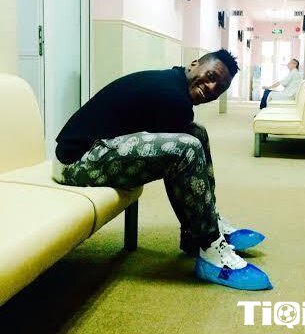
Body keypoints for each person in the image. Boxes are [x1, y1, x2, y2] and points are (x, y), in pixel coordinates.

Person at [53, 49, 271, 290]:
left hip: (97, 150)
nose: (211, 88)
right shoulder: (174, 97)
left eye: (218, 88)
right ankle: (210, 247)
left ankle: (203, 227)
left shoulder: (173, 84)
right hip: (76, 163)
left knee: (195, 134)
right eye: (210, 77)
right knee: (186, 148)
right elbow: (176, 169)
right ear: (194, 64)